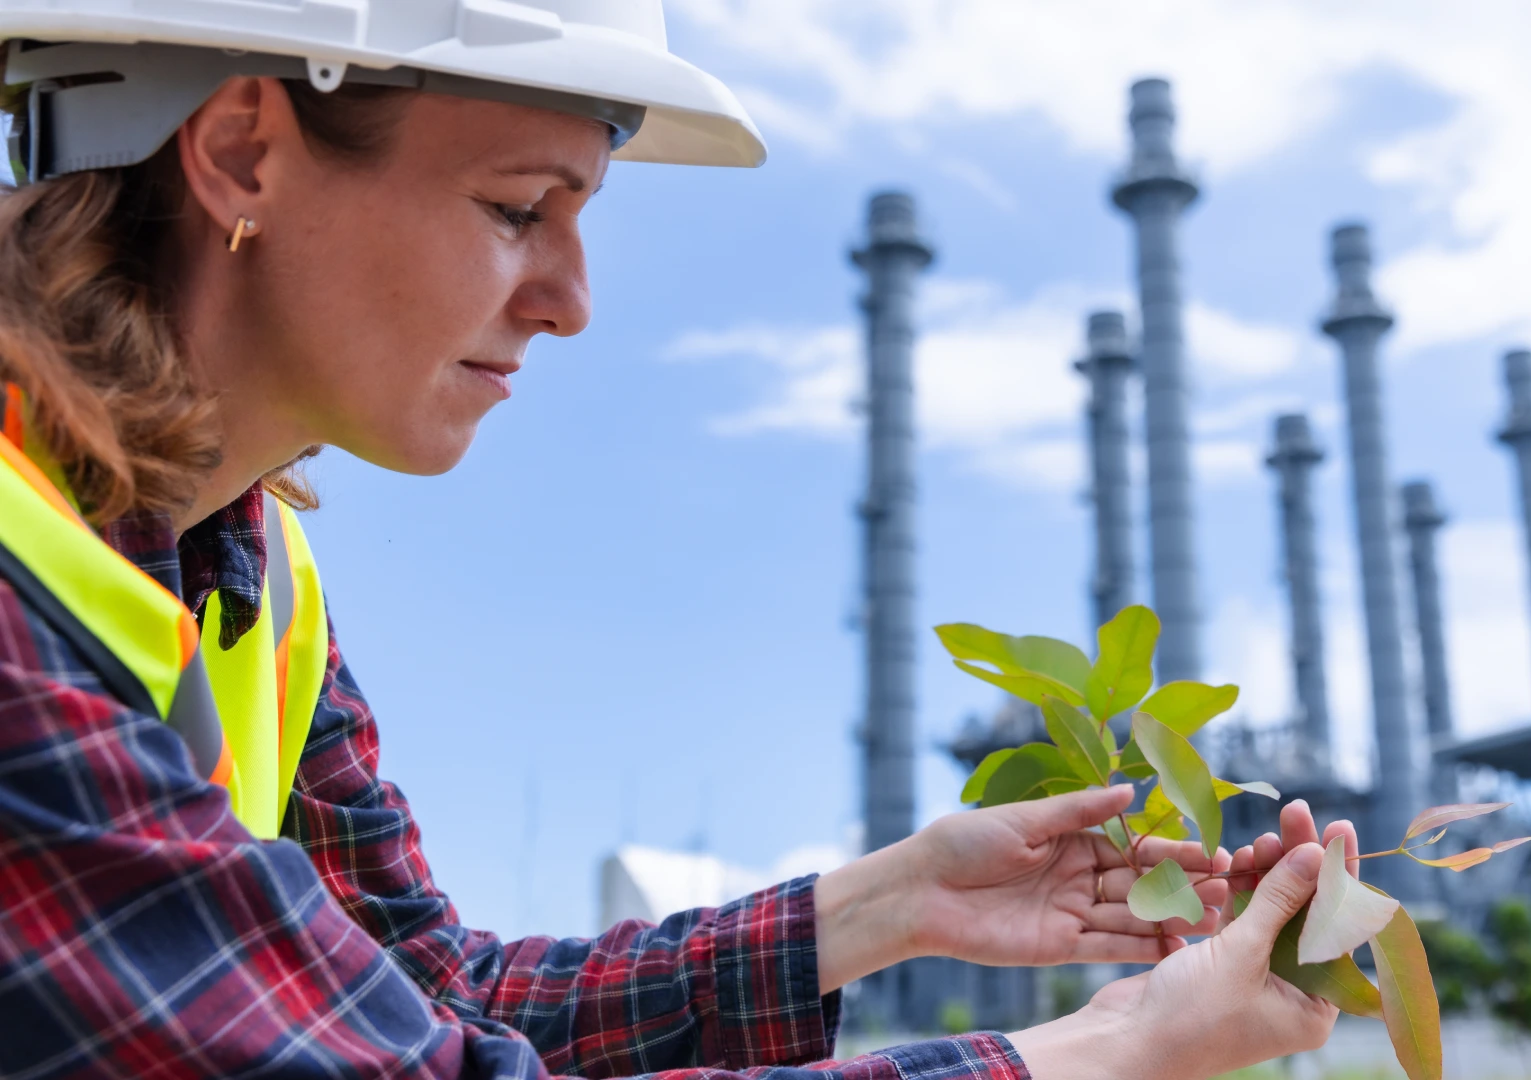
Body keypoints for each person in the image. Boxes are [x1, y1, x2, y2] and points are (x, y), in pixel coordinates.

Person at [0, 5, 1362, 1078]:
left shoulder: (246, 585)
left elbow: (444, 1001)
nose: (571, 300)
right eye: (516, 208)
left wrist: (895, 904)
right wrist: (1122, 1043)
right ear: (244, 151)